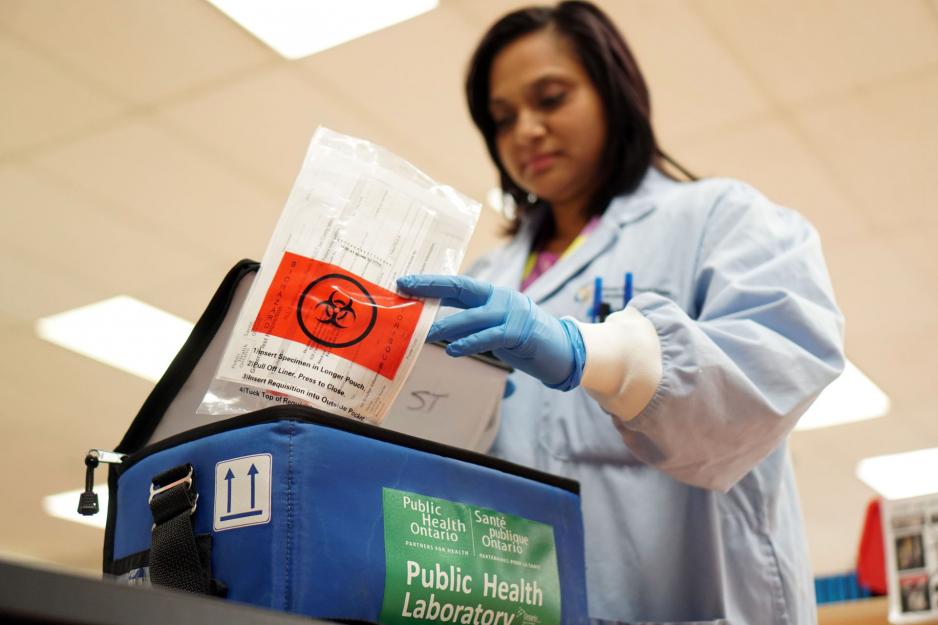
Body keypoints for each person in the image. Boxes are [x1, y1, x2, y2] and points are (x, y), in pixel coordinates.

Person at [398, 2, 844, 623]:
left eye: (550, 98)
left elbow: (777, 366)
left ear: (613, 93)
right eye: (503, 119)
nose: (525, 130)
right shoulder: (485, 279)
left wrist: (602, 356)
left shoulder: (719, 219)